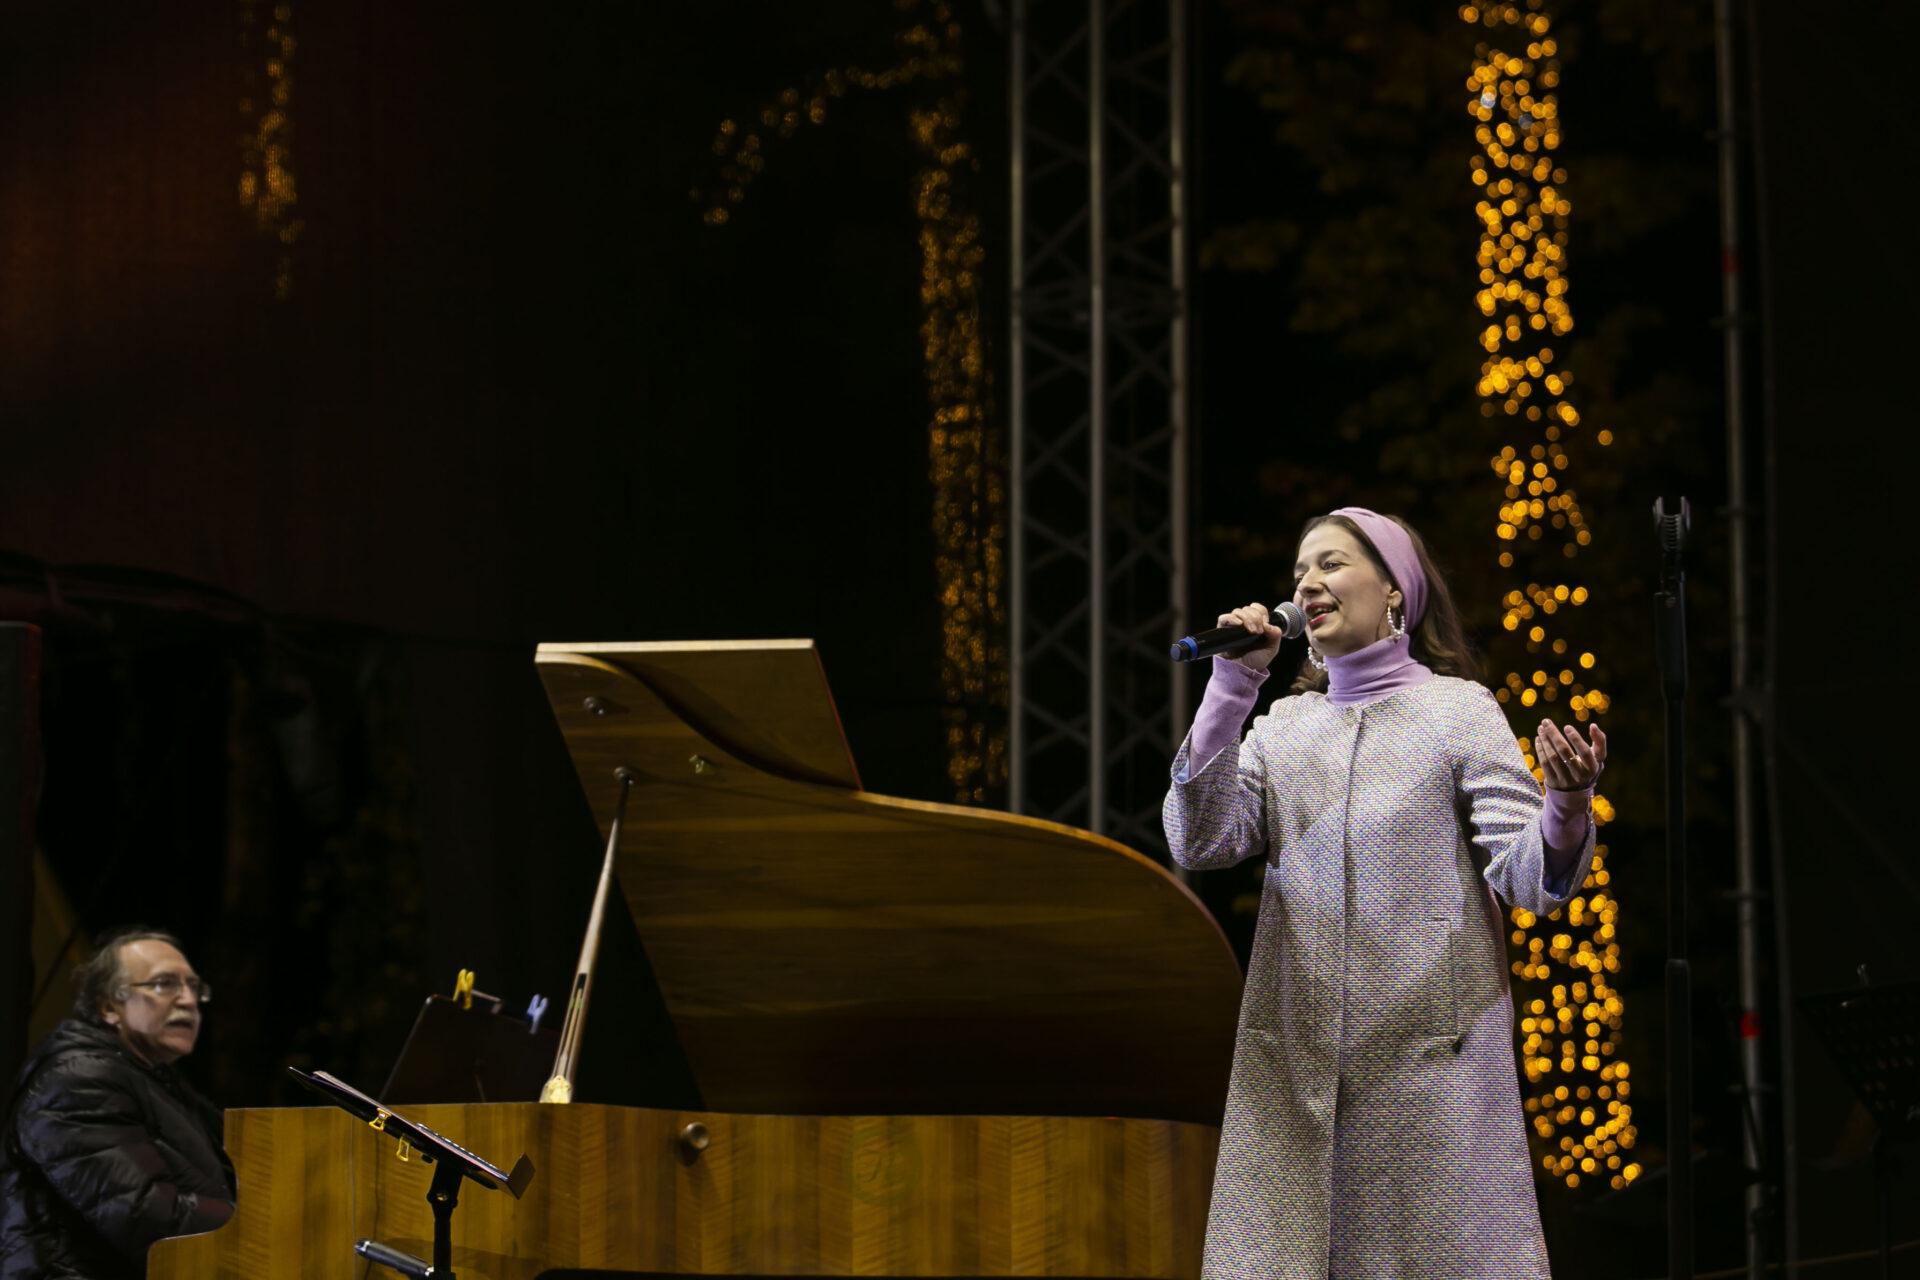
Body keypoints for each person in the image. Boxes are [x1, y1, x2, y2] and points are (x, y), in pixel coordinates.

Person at [1164, 507, 1606, 1280]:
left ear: (1395, 589)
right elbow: (1200, 840)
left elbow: (1526, 878)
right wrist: (1232, 686)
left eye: (1331, 563)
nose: (1308, 583)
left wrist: (1566, 807)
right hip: (1293, 1082)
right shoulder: (1284, 727)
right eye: (1301, 570)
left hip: (1427, 1078)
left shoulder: (1456, 711)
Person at [1, 928, 235, 1280]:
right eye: (164, 984)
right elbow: (143, 1215)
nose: (188, 1000)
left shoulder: (152, 1078)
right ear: (109, 1006)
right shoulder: (78, 1080)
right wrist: (262, 1223)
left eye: (193, 987)